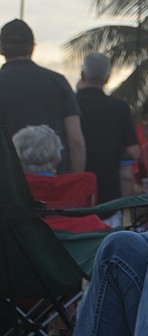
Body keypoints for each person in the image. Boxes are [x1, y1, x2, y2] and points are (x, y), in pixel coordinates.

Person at [0, 19, 85, 174]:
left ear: (1, 49)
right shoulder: (58, 82)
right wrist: (74, 182)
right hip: (55, 181)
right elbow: (76, 140)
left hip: (8, 185)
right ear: (32, 48)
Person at [12, 124, 110, 233]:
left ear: (17, 159)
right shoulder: (81, 185)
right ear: (58, 159)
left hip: (27, 241)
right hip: (78, 240)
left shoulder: (12, 188)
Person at [76, 52, 140, 209]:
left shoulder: (70, 104)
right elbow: (134, 152)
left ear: (82, 75)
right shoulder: (120, 107)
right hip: (110, 194)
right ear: (107, 78)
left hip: (75, 193)